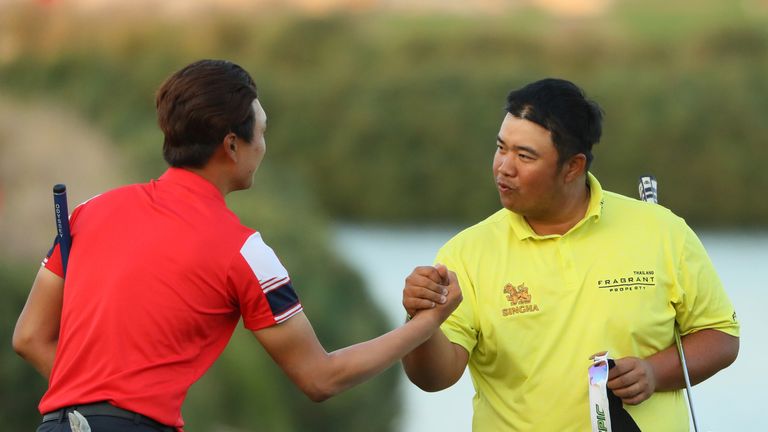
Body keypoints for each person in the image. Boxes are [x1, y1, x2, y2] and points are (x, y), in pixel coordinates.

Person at [12, 59, 461, 432]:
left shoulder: (88, 212)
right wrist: (427, 323)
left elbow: (30, 336)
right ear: (232, 144)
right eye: (261, 131)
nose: (263, 145)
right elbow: (320, 378)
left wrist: (90, 408)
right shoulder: (245, 251)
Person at [401, 78, 739, 431]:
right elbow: (434, 378)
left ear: (573, 167)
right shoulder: (466, 253)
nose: (504, 167)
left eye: (524, 155)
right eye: (501, 148)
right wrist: (420, 321)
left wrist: (654, 373)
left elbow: (720, 335)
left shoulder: (662, 230)